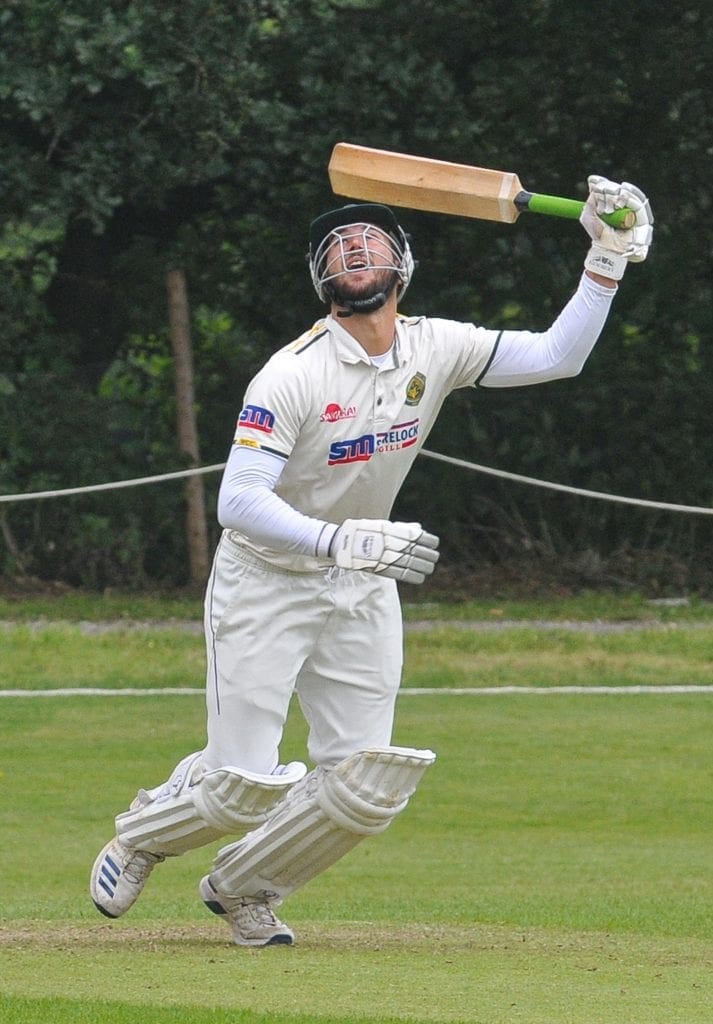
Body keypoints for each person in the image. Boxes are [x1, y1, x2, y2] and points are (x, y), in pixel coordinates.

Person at [90, 174, 653, 946]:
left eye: (372, 238)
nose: (355, 246)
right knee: (239, 788)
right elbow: (238, 501)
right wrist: (334, 538)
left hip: (361, 583)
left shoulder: (436, 346)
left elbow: (557, 356)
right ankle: (141, 835)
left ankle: (245, 886)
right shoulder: (290, 373)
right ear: (323, 279)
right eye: (338, 243)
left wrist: (606, 260)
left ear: (403, 264)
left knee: (368, 786)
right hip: (265, 580)